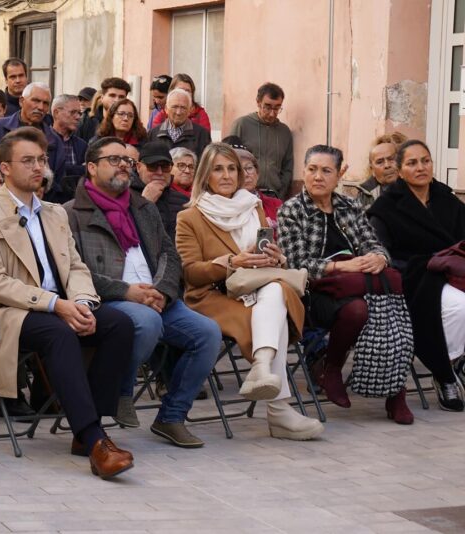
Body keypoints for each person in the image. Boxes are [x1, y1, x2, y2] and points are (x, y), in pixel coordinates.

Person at [0, 127, 136, 478]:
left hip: (62, 306)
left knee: (119, 324)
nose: (38, 167)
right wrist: (57, 305)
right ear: (5, 167)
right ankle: (93, 438)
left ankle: (89, 429)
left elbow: (75, 266)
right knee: (58, 332)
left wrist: (84, 302)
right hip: (7, 314)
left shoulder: (55, 212)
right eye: (28, 161)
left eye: (41, 160)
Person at [64, 137, 221, 447]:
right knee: (146, 322)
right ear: (92, 167)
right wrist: (126, 292)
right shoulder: (71, 213)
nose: (124, 165)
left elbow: (169, 254)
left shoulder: (143, 207)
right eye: (114, 159)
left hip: (156, 297)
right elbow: (72, 269)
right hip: (109, 300)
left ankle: (171, 417)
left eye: (127, 160)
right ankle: (121, 392)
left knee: (208, 333)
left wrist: (161, 290)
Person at [176, 142, 323, 440]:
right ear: (205, 175)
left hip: (256, 289)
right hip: (213, 295)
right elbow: (191, 272)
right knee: (277, 305)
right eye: (218, 169)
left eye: (233, 168)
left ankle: (262, 366)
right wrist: (232, 262)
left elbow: (262, 253)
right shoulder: (189, 217)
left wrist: (275, 257)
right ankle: (279, 410)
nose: (228, 175)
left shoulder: (252, 206)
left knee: (276, 291)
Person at [278, 145, 412, 423]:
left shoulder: (349, 206)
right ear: (303, 171)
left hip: (356, 287)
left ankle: (393, 390)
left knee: (383, 308)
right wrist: (339, 266)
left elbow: (372, 243)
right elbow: (295, 263)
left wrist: (378, 257)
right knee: (365, 309)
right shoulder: (291, 210)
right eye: (312, 169)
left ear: (338, 175)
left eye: (326, 171)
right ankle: (338, 368)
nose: (318, 177)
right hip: (313, 294)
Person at [368, 140, 465, 412]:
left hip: (455, 270)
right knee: (460, 307)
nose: (421, 167)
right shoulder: (386, 208)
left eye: (425, 160)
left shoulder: (447, 199)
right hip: (415, 277)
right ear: (399, 170)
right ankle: (446, 371)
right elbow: (382, 252)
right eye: (412, 163)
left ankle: (454, 364)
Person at [0, 83, 68, 202]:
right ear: (21, 101)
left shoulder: (54, 140)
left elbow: (58, 183)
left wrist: (42, 185)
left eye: (45, 103)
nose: (40, 107)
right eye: (36, 100)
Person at [229, 82, 294, 200]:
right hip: (244, 195)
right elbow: (229, 159)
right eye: (267, 107)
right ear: (258, 103)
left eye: (277, 108)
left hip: (274, 197)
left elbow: (287, 167)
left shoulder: (285, 132)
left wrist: (281, 195)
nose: (272, 113)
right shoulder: (241, 125)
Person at [224, 137, 282, 229]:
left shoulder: (276, 205)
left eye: (249, 168)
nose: (246, 175)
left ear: (257, 173)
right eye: (240, 170)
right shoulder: (223, 207)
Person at [130, 141, 183, 239]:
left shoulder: (184, 201)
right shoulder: (124, 196)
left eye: (165, 167)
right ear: (138, 167)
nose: (159, 172)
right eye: (152, 166)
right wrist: (145, 203)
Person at [347, 132, 407, 208]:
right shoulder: (365, 195)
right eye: (380, 162)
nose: (387, 165)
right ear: (372, 170)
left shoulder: (416, 189)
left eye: (392, 159)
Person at [147, 88, 210, 159]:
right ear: (166, 109)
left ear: (190, 110)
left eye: (183, 108)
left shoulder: (202, 135)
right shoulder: (153, 134)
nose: (178, 112)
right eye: (174, 107)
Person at [51, 94, 88, 197]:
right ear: (56, 113)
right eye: (73, 112)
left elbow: (87, 173)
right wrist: (78, 168)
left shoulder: (82, 145)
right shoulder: (43, 140)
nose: (78, 117)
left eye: (79, 113)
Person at [76, 77, 131, 142]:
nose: (117, 100)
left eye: (121, 97)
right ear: (102, 98)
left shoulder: (131, 122)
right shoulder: (86, 121)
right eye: (112, 95)